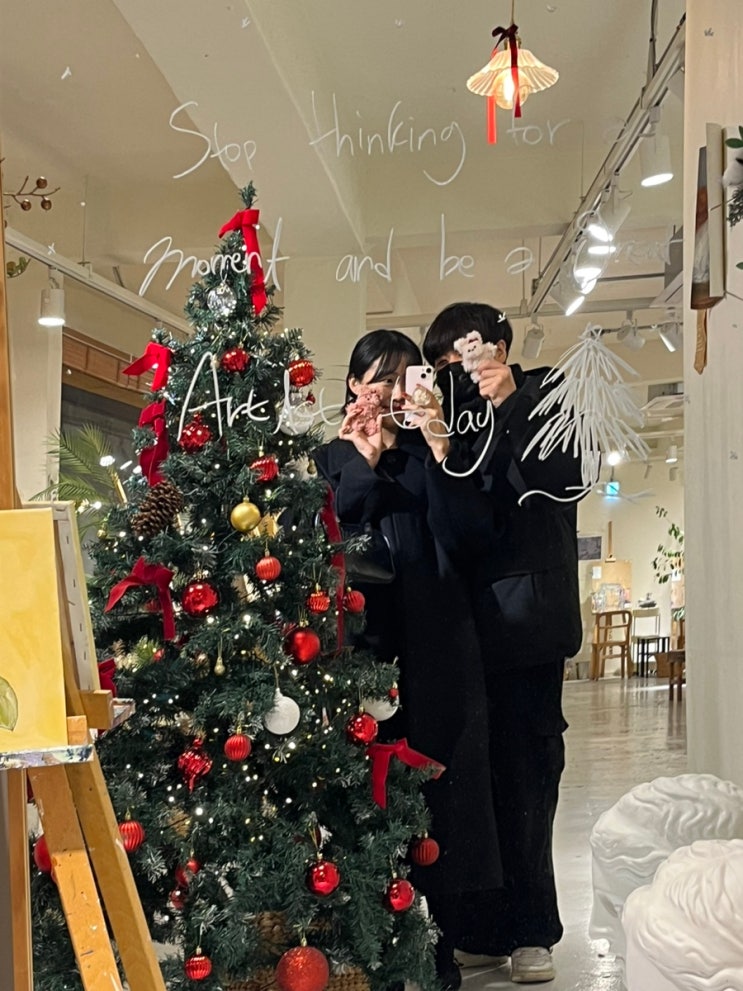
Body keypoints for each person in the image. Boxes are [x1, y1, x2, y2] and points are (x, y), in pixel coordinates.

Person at [313, 329, 502, 990]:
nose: (394, 392)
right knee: (371, 805)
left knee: (443, 803)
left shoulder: (434, 454)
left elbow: (471, 534)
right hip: (362, 663)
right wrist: (363, 459)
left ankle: (440, 949)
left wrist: (441, 444)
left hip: (439, 652)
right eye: (380, 379)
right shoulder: (331, 458)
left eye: (406, 378)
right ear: (353, 385)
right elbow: (335, 538)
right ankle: (378, 952)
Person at [422, 302, 587, 985]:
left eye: (464, 355)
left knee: (528, 777)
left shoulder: (545, 393)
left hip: (530, 626)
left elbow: (561, 480)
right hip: (465, 632)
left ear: (498, 346)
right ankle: (485, 928)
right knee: (474, 785)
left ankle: (532, 928)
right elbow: (459, 520)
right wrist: (436, 440)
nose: (457, 372)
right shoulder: (448, 418)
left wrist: (510, 399)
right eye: (442, 364)